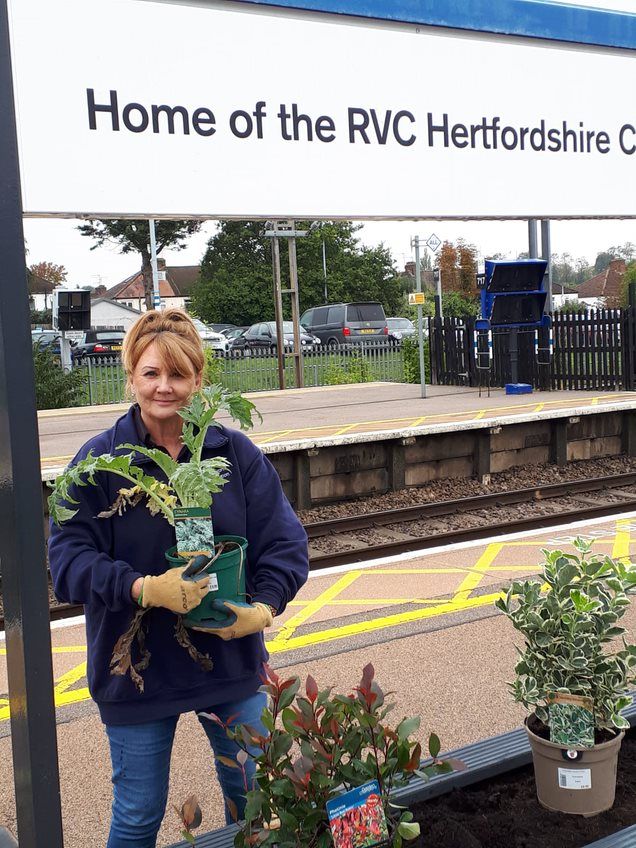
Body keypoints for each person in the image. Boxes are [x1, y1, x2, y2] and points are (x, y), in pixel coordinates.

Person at [48, 308, 309, 848]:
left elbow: (284, 543)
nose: (164, 387)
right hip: (137, 666)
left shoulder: (233, 453)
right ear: (131, 378)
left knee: (258, 799)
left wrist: (263, 606)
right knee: (140, 814)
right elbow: (67, 563)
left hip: (229, 657)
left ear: (198, 380)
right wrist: (141, 587)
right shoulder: (100, 460)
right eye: (150, 374)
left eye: (178, 375)